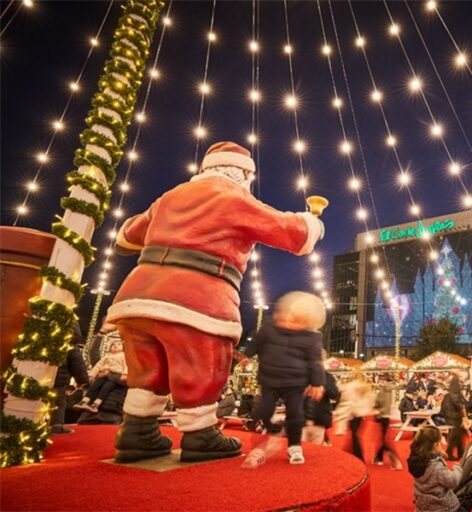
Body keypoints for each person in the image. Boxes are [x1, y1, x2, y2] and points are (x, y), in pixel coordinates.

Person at [106, 141, 324, 463]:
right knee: (203, 362)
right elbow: (290, 233)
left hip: (138, 294)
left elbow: (128, 235)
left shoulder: (170, 196)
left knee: (146, 366)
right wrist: (312, 221)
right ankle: (200, 433)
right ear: (244, 174)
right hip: (196, 297)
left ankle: (137, 430)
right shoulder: (234, 196)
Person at [245, 291, 326, 465]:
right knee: (263, 410)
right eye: (291, 318)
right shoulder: (268, 327)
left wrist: (317, 383)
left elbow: (315, 361)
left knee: (296, 415)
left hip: (295, 382)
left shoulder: (311, 337)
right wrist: (247, 353)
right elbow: (256, 343)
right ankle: (271, 427)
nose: (292, 324)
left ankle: (294, 445)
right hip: (269, 379)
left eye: (299, 323)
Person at [407, 425, 463, 512]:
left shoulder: (415, 460)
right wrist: (457, 467)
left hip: (423, 506)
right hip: (442, 507)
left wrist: (439, 454)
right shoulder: (437, 467)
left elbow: (429, 457)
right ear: (435, 445)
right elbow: (453, 481)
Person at [52, 328, 89, 434]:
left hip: (43, 379)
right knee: (59, 403)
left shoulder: (47, 343)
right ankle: (56, 426)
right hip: (59, 382)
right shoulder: (71, 348)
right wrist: (83, 381)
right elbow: (78, 366)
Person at [75, 339, 127, 414]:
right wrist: (92, 375)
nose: (115, 346)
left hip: (115, 374)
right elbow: (98, 366)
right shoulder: (106, 356)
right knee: (94, 386)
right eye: (113, 345)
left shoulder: (124, 355)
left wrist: (125, 374)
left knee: (105, 388)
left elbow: (126, 365)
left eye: (119, 344)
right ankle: (85, 401)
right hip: (103, 373)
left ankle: (96, 404)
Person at [303, 361, 340, 446]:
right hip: (301, 422)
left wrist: (322, 387)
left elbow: (334, 394)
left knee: (316, 452)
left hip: (319, 421)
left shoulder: (327, 377)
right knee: (301, 450)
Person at [372, 375, 403, 469]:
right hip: (387, 415)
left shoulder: (381, 391)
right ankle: (378, 457)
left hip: (381, 415)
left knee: (383, 439)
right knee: (383, 438)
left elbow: (377, 402)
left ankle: (391, 460)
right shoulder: (390, 391)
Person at [442, 375, 467, 461]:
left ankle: (459, 453)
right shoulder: (455, 394)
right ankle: (450, 453)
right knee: (454, 436)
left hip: (452, 416)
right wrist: (465, 417)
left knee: (457, 436)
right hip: (454, 417)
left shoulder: (450, 394)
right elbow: (460, 406)